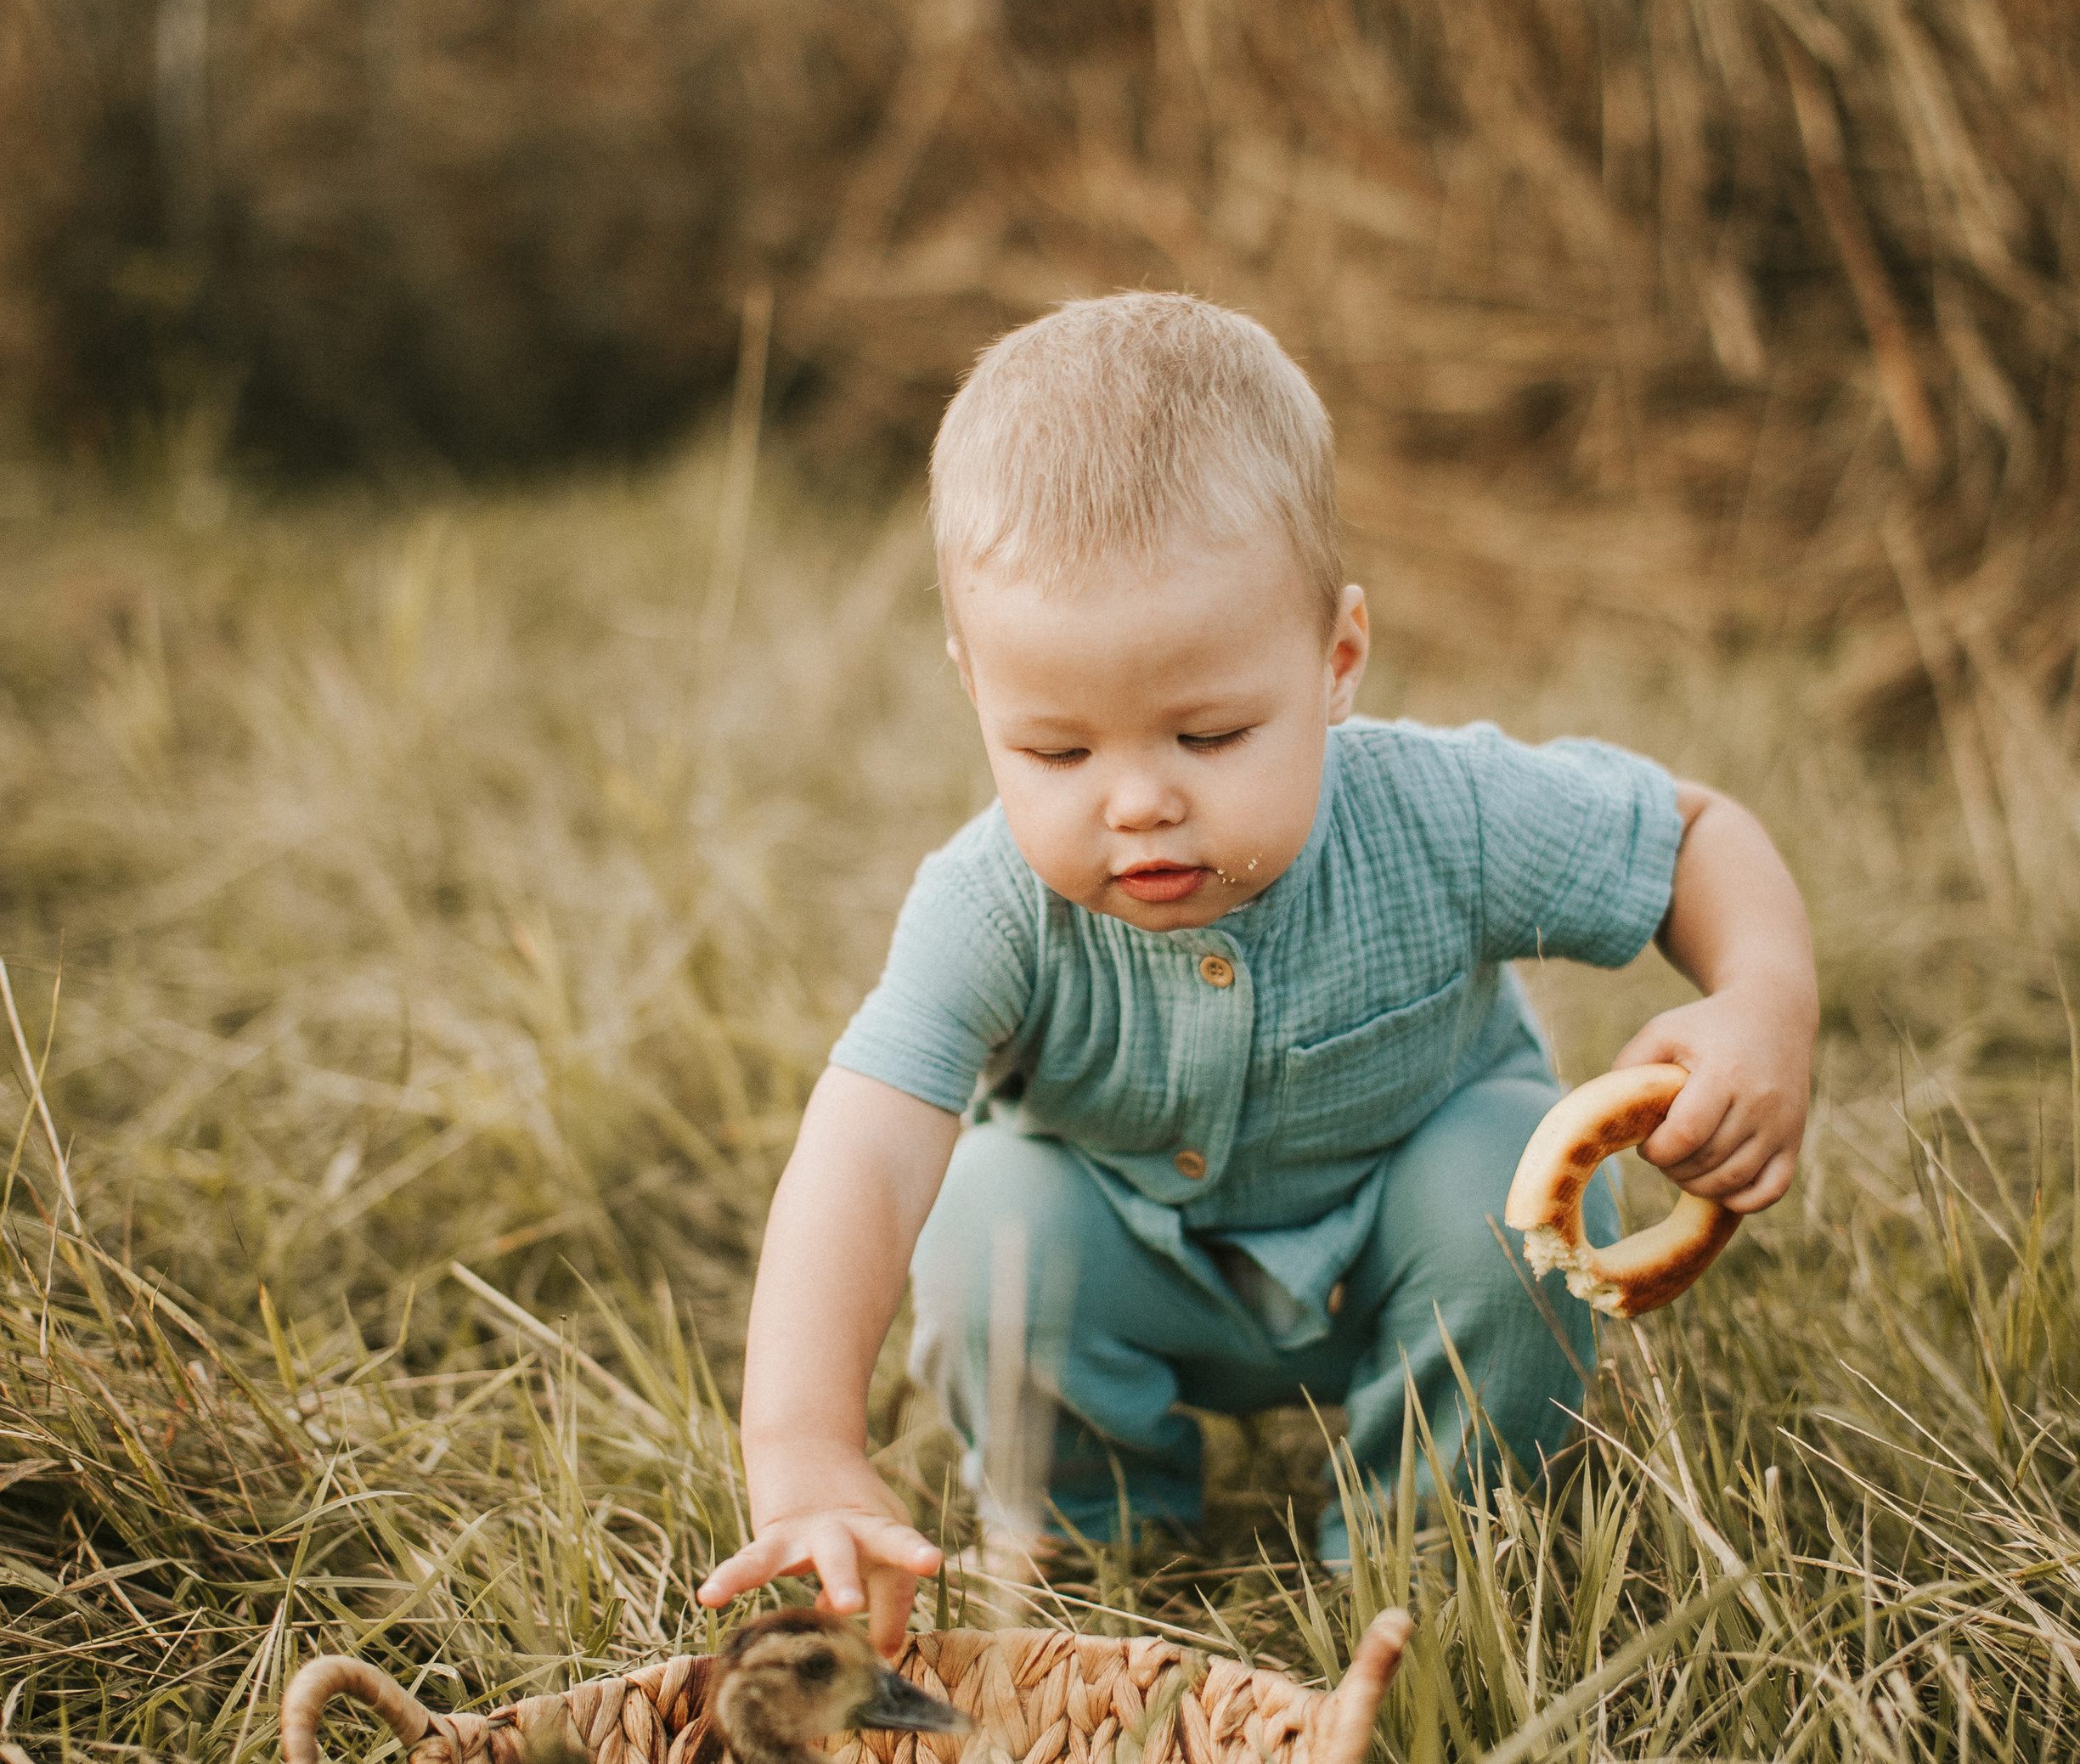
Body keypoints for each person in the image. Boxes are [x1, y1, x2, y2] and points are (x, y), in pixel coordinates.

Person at [698, 295, 1816, 1656]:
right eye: (1056, 753)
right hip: (1128, 1258)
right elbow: (865, 1152)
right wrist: (804, 1444)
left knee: (1504, 1180)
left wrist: (1761, 998)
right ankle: (1094, 1553)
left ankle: (1439, 1558)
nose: (1139, 805)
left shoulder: (1444, 812)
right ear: (974, 690)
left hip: (1411, 1241)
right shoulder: (988, 907)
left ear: (1335, 662)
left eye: (1212, 733)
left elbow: (1693, 834)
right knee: (989, 1214)